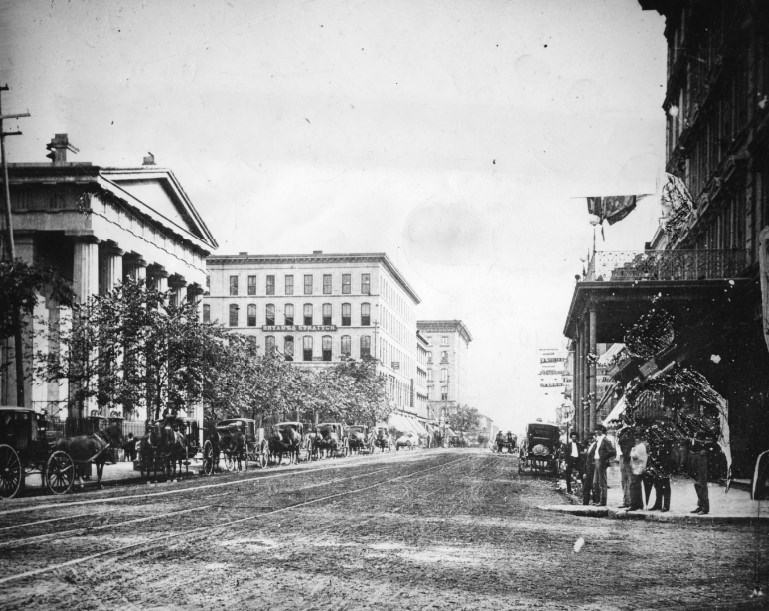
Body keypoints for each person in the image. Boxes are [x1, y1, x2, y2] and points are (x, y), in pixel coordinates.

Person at [590, 424, 616, 506]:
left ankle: (602, 501)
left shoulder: (605, 440)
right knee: (595, 483)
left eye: (598, 430)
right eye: (596, 430)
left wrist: (603, 458)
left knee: (602, 483)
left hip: (601, 462)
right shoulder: (599, 440)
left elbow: (612, 452)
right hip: (596, 461)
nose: (596, 432)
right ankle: (598, 500)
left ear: (602, 430)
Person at [689, 431, 711, 515]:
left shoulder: (703, 427)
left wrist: (706, 450)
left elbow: (713, 441)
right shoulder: (690, 426)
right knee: (696, 483)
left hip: (701, 457)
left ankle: (705, 507)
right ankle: (700, 505)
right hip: (693, 456)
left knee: (702, 483)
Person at [627, 432, 648, 511]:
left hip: (639, 468)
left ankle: (634, 504)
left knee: (634, 486)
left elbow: (634, 456)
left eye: (638, 438)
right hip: (637, 467)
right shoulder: (639, 446)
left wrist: (632, 451)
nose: (636, 440)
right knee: (637, 486)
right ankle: (639, 504)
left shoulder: (640, 447)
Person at [617, 426, 634, 509]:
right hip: (623, 457)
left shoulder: (627, 432)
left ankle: (630, 501)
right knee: (624, 481)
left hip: (627, 458)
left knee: (628, 481)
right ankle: (626, 500)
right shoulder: (624, 432)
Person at [582, 432, 597, 506]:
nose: (590, 440)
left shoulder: (596, 446)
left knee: (592, 487)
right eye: (589, 439)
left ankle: (594, 502)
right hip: (588, 469)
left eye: (591, 438)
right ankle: (585, 503)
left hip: (592, 469)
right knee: (586, 487)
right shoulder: (590, 447)